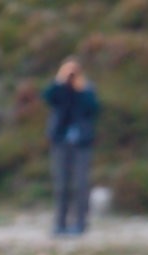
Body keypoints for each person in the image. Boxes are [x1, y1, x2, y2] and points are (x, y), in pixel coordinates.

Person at [43, 58, 101, 236]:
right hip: (60, 141)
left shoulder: (86, 89)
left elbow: (94, 108)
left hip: (81, 143)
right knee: (61, 184)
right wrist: (59, 81)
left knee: (81, 184)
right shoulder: (59, 89)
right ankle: (60, 223)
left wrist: (81, 89)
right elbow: (47, 97)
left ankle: (80, 224)